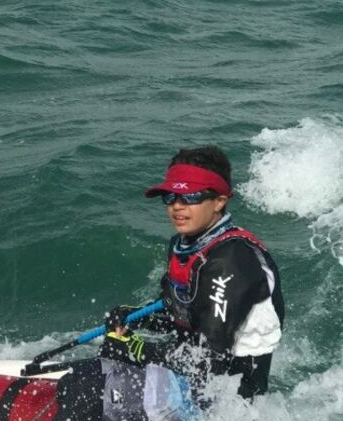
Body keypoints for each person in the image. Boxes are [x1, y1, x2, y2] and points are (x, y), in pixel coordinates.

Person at [101, 145, 284, 401]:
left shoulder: (229, 262)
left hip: (228, 405)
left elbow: (211, 360)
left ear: (220, 200)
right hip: (187, 376)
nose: (177, 206)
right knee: (86, 377)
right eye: (170, 197)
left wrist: (137, 349)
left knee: (82, 386)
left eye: (190, 197)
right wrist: (137, 317)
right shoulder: (184, 245)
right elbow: (185, 316)